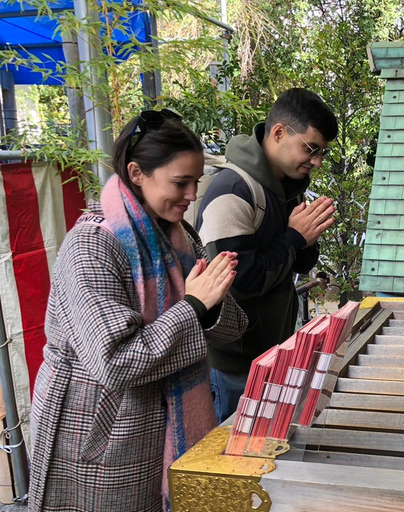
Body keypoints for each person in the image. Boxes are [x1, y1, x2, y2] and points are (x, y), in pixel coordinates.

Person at [28, 109, 248, 512]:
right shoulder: (91, 246)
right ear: (136, 173)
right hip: (100, 434)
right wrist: (195, 305)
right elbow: (115, 364)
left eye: (196, 182)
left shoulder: (180, 236)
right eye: (180, 183)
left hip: (159, 425)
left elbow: (233, 327)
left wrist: (210, 304)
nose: (192, 196)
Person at [196, 88, 337, 423]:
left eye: (322, 153)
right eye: (311, 148)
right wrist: (293, 237)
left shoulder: (289, 185)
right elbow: (240, 281)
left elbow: (298, 262)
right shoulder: (233, 191)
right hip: (234, 366)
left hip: (274, 353)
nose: (316, 161)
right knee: (225, 465)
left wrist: (307, 238)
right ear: (278, 133)